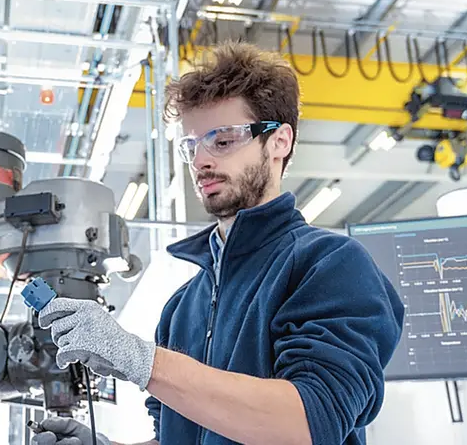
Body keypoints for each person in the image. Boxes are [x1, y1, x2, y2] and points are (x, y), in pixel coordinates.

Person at [32, 41, 405, 445]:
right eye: (192, 145)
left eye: (223, 141)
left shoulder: (329, 265)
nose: (201, 161)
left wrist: (141, 360)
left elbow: (307, 421)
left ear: (279, 141)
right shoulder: (181, 306)